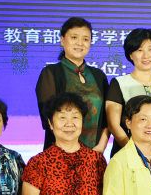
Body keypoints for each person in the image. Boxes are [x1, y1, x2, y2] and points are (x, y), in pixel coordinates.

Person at [35, 17, 109, 152]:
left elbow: (107, 118)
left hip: (94, 152)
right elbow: (48, 118)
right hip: (59, 153)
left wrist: (100, 147)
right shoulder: (51, 73)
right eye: (74, 37)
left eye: (85, 39)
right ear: (62, 40)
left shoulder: (99, 75)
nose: (80, 43)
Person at [106, 28, 151, 157]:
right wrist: (136, 154)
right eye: (139, 50)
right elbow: (113, 124)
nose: (146, 56)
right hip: (125, 152)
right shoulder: (119, 83)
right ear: (131, 55)